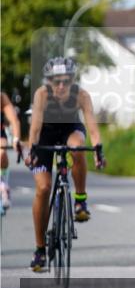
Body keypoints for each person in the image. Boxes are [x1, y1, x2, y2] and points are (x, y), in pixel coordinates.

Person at [23, 57, 106, 271]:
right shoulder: (42, 95)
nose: (61, 86)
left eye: (66, 81)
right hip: (46, 135)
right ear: (49, 81)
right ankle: (40, 249)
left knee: (78, 147)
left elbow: (93, 129)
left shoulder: (81, 95)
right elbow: (35, 130)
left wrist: (98, 150)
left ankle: (80, 200)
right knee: (43, 188)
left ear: (72, 81)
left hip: (70, 129)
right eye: (56, 81)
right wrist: (32, 150)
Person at [1, 91, 22, 210]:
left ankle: (3, 184)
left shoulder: (2, 98)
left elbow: (14, 121)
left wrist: (16, 139)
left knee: (2, 150)